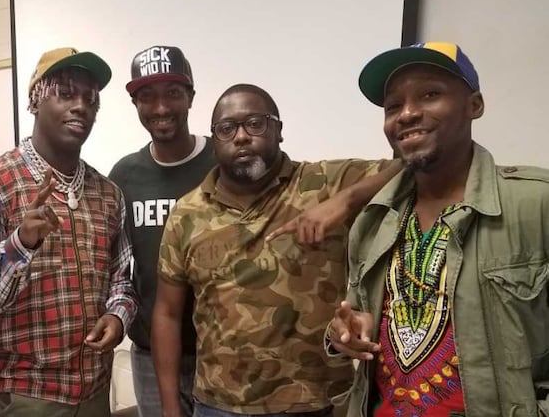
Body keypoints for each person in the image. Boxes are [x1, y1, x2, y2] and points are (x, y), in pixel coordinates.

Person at [327, 42, 549, 417]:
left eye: (430, 95)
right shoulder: (373, 219)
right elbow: (358, 321)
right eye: (393, 106)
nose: (408, 114)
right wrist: (343, 335)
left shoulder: (535, 204)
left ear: (474, 105)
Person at [153, 83, 401, 417]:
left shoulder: (324, 182)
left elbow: (410, 166)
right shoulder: (188, 213)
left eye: (255, 123)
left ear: (278, 130)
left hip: (318, 403)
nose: (241, 136)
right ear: (215, 142)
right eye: (226, 129)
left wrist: (346, 200)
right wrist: (170, 407)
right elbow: (167, 313)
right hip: (219, 405)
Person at [0, 47, 137, 417]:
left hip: (95, 388)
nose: (81, 106)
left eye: (90, 99)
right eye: (66, 93)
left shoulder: (108, 193)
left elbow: (123, 277)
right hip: (28, 393)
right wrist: (19, 243)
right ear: (36, 100)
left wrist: (118, 316)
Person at [109, 45, 215, 417]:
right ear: (135, 104)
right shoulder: (124, 175)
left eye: (172, 93)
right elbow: (116, 266)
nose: (160, 108)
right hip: (150, 352)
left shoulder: (222, 160)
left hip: (219, 352)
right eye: (146, 97)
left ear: (191, 97)